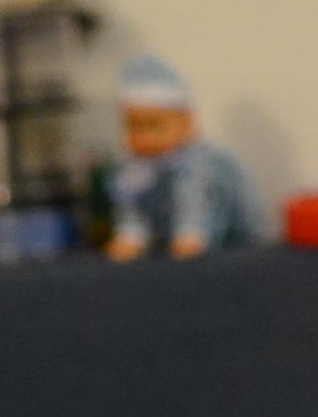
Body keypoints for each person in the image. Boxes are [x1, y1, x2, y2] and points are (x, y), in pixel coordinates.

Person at [105, 53, 258, 261]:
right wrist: (131, 236)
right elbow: (132, 208)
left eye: (153, 125)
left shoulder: (197, 164)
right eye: (133, 126)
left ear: (186, 124)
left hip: (225, 239)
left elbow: (194, 203)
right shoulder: (133, 171)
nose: (143, 137)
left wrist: (191, 233)